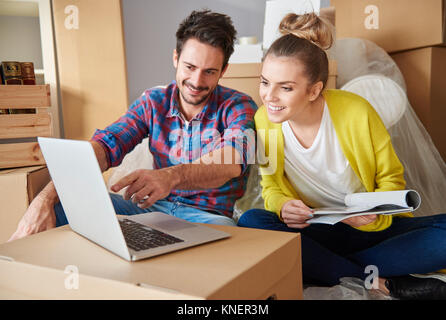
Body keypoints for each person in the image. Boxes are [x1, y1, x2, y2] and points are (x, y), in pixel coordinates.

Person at [237, 12, 446, 300]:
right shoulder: (264, 120)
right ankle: (380, 281)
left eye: (285, 87)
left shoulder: (356, 111)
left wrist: (373, 215)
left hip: (367, 229)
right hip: (313, 229)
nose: (269, 96)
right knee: (251, 221)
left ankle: (320, 265)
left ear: (314, 90)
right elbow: (271, 187)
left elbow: (391, 181)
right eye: (265, 82)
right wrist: (284, 206)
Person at [9, 9, 257, 241]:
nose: (196, 80)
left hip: (209, 219)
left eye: (209, 72)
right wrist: (45, 199)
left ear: (223, 71)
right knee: (63, 208)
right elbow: (106, 145)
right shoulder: (154, 101)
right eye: (189, 67)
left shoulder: (238, 105)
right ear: (175, 58)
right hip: (150, 212)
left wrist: (171, 176)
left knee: (221, 248)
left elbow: (230, 162)